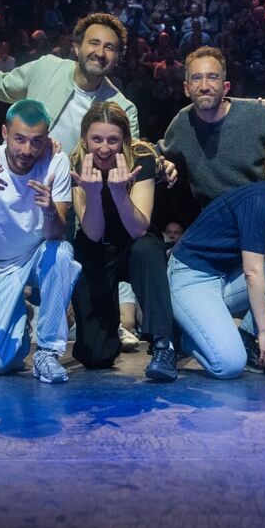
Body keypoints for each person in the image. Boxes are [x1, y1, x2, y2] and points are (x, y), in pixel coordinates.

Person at [167, 131, 265, 378]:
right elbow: (253, 272)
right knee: (229, 365)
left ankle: (243, 338)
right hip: (191, 277)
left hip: (222, 279)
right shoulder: (259, 198)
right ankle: (185, 337)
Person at [0, 100, 81, 383]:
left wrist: (49, 208)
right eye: (20, 139)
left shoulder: (56, 162)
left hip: (38, 255)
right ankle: (18, 324)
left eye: (36, 141)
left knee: (62, 252)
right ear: (4, 133)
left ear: (46, 140)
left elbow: (55, 235)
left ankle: (47, 352)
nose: (27, 150)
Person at [68, 102, 178, 380]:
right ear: (85, 138)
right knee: (96, 357)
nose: (104, 148)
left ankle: (163, 344)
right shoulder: (76, 163)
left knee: (147, 248)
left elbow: (139, 228)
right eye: (97, 139)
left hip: (133, 242)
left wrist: (118, 194)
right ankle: (110, 332)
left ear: (125, 140)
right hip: (96, 246)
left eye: (113, 140)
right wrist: (93, 193)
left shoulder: (141, 157)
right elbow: (92, 233)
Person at [0, 13, 137, 152]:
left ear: (117, 58)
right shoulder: (46, 67)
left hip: (68, 192)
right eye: (94, 43)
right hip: (15, 178)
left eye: (109, 47)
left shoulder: (123, 109)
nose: (100, 53)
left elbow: (132, 161)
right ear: (77, 48)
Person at [160, 47, 265, 206]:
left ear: (225, 87)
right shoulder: (182, 123)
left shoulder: (256, 113)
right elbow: (154, 155)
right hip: (215, 216)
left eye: (212, 77)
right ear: (186, 88)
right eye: (196, 78)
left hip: (263, 209)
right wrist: (163, 165)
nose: (204, 86)